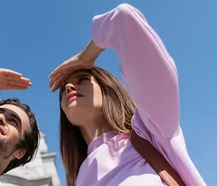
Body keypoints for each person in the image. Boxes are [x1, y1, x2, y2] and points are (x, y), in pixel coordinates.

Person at [48, 3, 206, 186]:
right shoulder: (78, 180)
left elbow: (123, 19)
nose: (68, 88)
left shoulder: (150, 130)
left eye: (82, 79)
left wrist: (86, 57)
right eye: (63, 90)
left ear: (109, 90)